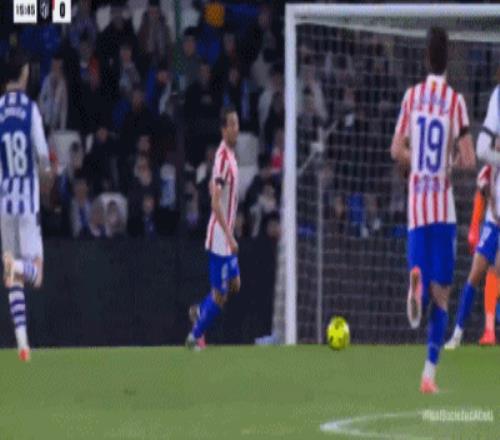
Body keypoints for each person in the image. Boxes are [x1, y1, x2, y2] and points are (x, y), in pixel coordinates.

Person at [390, 28, 475, 393]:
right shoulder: (455, 102)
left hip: (416, 208)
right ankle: (428, 376)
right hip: (443, 209)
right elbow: (469, 158)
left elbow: (396, 149)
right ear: (447, 58)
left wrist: (419, 162)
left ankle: (416, 290)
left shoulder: (411, 96)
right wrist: (449, 161)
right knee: (443, 294)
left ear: (426, 58)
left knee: (424, 284)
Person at [0, 51, 52, 362]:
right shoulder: (30, 109)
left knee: (12, 280)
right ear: (23, 73)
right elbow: (43, 156)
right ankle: (16, 265)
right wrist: (48, 179)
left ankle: (22, 343)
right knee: (35, 273)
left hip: (4, 201)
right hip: (27, 201)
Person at [186, 106, 241, 350]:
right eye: (232, 124)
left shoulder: (229, 155)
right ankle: (194, 337)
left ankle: (199, 311)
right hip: (220, 237)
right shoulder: (223, 159)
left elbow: (217, 188)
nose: (236, 129)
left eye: (237, 124)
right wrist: (230, 236)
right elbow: (215, 203)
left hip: (226, 235)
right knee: (220, 295)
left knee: (235, 284)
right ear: (223, 129)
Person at [445, 164, 499, 349]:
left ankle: (489, 330)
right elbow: (481, 194)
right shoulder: (491, 168)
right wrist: (474, 228)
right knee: (474, 275)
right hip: (492, 226)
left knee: (496, 270)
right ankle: (457, 334)